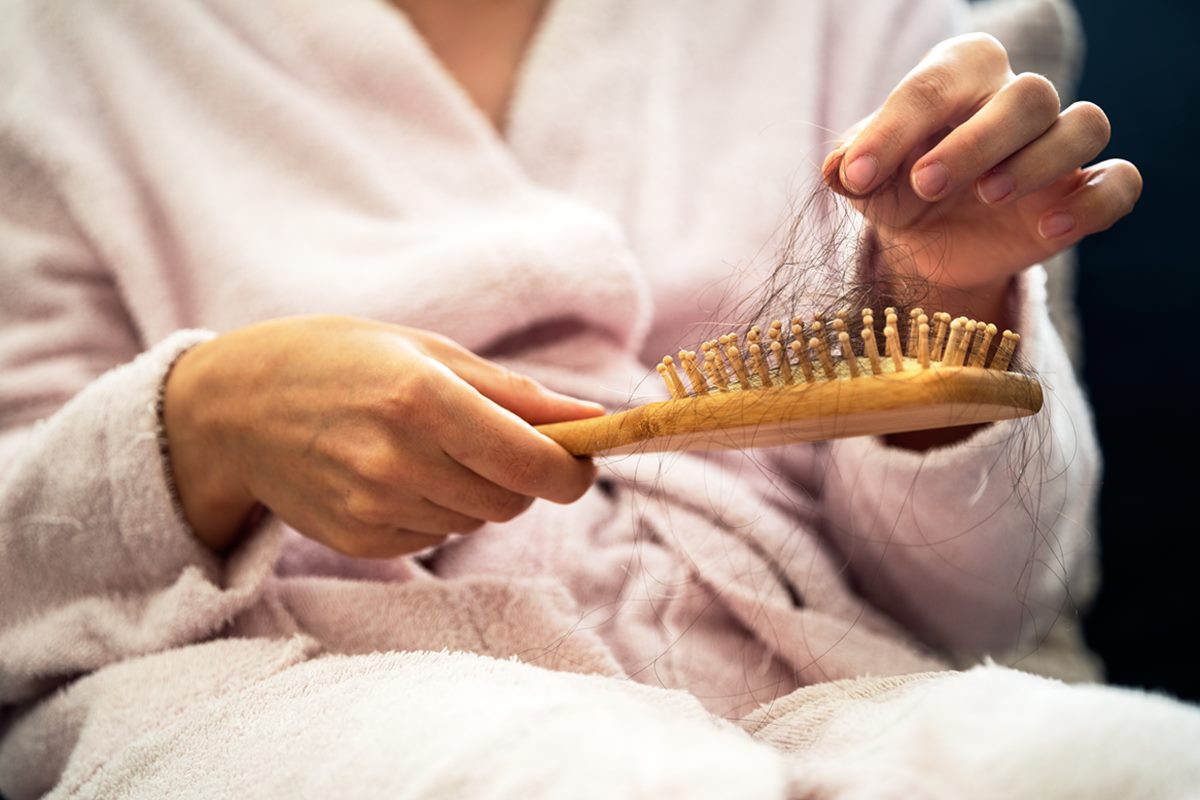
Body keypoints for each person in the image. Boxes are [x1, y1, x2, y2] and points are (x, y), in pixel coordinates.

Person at [3, 1, 1193, 798]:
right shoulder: (53, 49)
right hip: (279, 688)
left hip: (838, 679)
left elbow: (991, 607)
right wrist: (202, 426)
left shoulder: (894, 26)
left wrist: (948, 301)